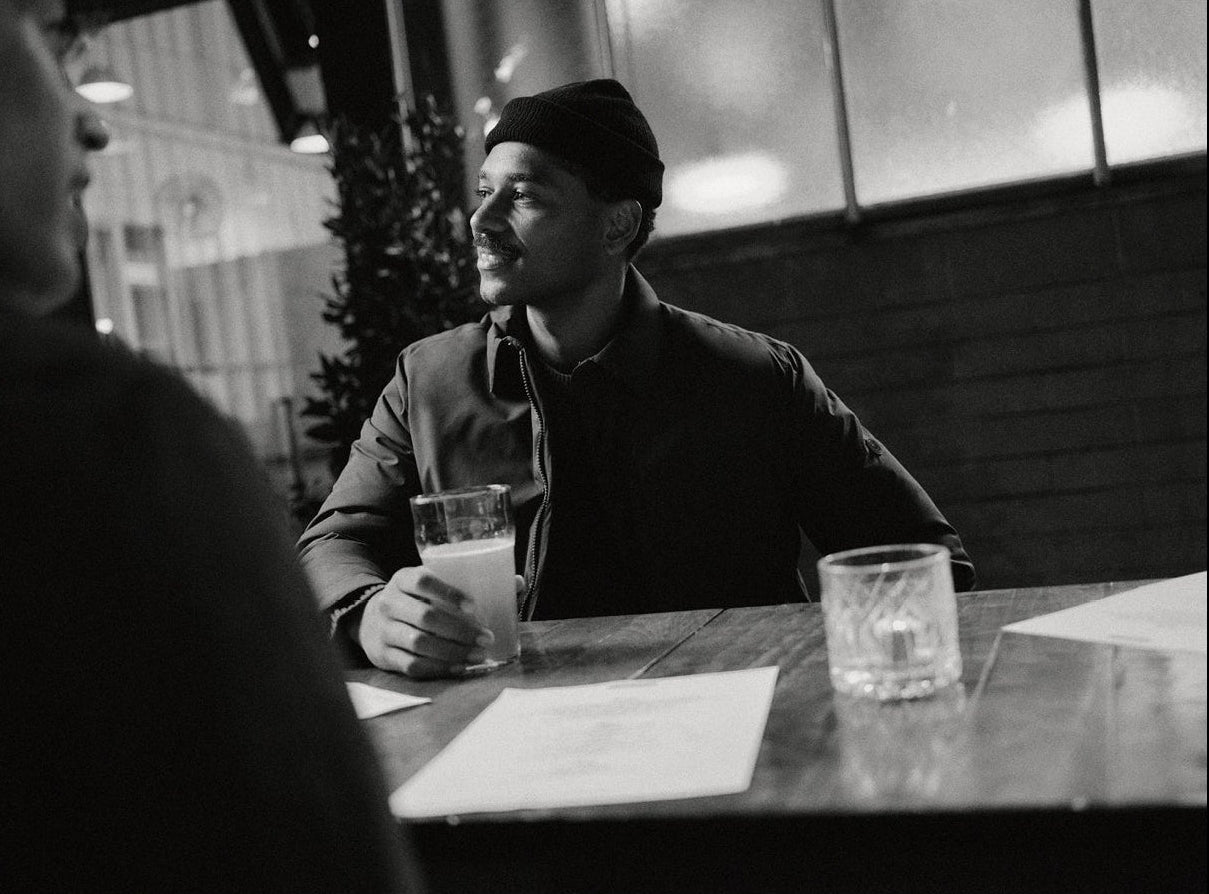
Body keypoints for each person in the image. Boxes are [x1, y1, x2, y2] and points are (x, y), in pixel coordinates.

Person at [299, 78, 976, 680]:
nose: (481, 219)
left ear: (617, 224)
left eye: (523, 195)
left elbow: (925, 559)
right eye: (484, 192)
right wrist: (369, 614)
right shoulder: (428, 380)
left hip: (735, 726)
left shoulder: (754, 379)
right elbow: (333, 543)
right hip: (511, 731)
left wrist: (820, 666)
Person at [0, 2, 421, 890]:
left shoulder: (735, 372)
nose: (93, 122)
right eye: (51, 41)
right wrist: (367, 606)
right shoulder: (107, 437)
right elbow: (318, 861)